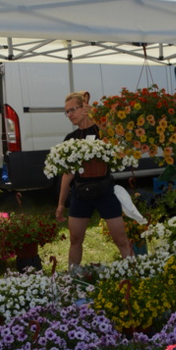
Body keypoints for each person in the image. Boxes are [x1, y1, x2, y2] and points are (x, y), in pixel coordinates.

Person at [55, 91, 133, 267]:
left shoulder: (102, 131)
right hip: (80, 194)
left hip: (105, 192)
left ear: (84, 108)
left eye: (72, 110)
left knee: (120, 239)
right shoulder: (70, 139)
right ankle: (73, 276)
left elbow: (117, 137)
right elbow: (68, 174)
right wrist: (61, 203)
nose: (69, 115)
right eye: (66, 112)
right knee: (75, 239)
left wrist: (96, 117)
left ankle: (133, 273)